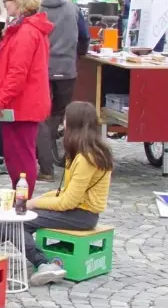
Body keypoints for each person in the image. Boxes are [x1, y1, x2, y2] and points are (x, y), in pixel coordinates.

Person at [22, 101, 113, 286]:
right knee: (17, 222)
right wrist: (40, 199)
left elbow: (68, 202)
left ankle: (45, 264)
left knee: (19, 224)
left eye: (65, 119)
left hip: (82, 215)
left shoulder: (86, 158)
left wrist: (33, 204)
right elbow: (65, 192)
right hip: (79, 211)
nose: (62, 122)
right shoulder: (83, 152)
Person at [0, 0, 53, 202]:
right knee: (16, 155)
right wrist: (3, 41)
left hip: (22, 104)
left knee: (21, 157)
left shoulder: (26, 31)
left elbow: (18, 72)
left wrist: (1, 100)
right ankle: (19, 197)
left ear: (17, 1)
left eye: (6, 0)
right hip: (23, 103)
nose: (4, 5)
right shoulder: (26, 28)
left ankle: (23, 200)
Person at [34, 0, 88, 182]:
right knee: (60, 115)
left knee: (41, 119)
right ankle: (65, 162)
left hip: (42, 70)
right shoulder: (73, 8)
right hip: (67, 70)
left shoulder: (35, 10)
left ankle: (46, 169)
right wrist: (79, 54)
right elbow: (84, 36)